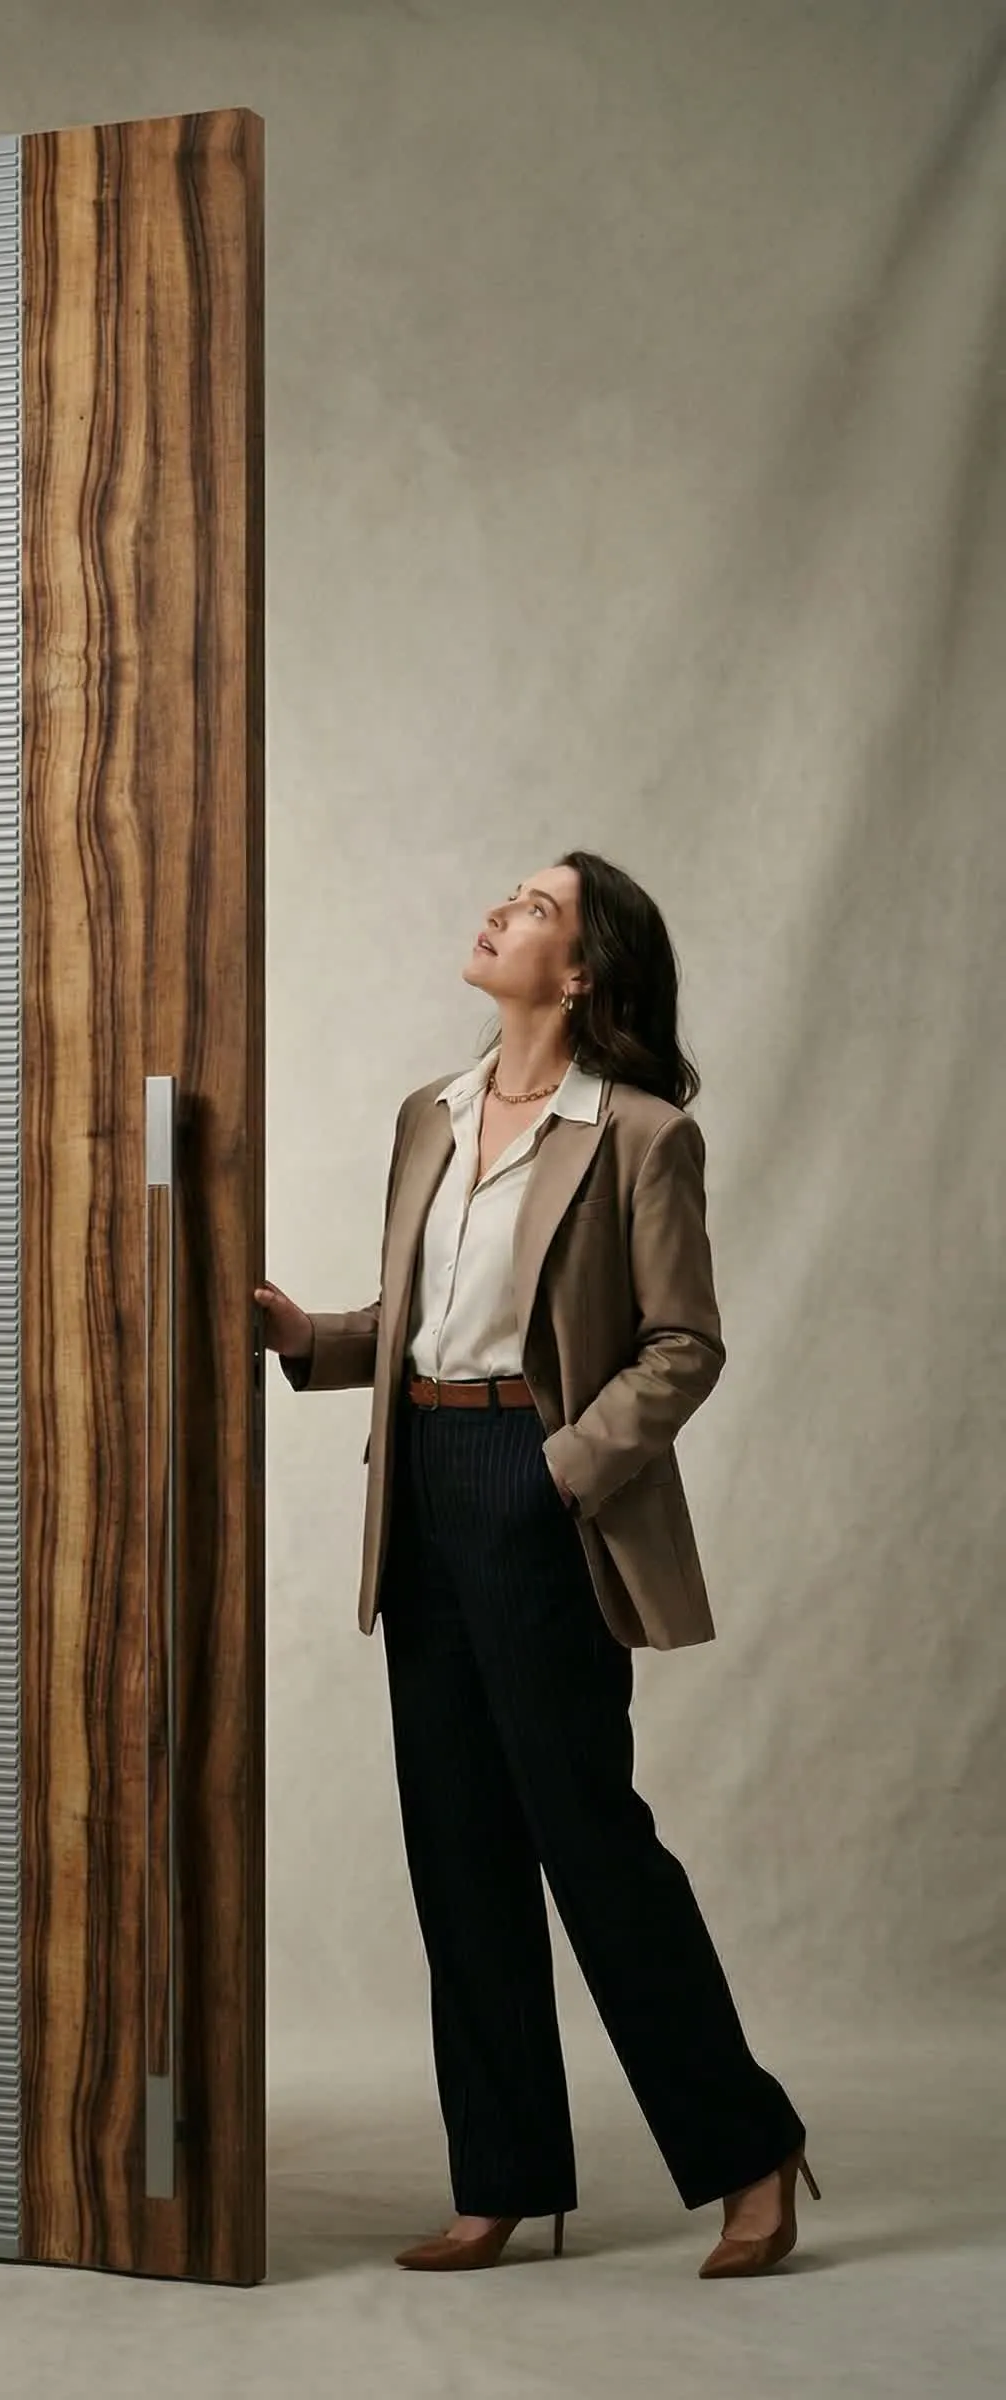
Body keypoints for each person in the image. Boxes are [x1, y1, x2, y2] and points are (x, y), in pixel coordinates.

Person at [254, 852, 820, 2279]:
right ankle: (500, 2176)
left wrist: (560, 1471)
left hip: (538, 1483)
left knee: (588, 1839)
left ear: (580, 973)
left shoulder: (639, 1137)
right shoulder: (429, 1114)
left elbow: (682, 1346)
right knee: (457, 1846)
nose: (502, 911)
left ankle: (750, 2149)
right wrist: (308, 1337)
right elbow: (416, 1316)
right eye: (513, 897)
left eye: (539, 908)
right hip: (422, 1485)